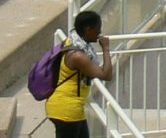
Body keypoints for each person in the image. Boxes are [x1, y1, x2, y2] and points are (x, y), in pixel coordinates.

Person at [45, 10, 114, 138]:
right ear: (88, 29)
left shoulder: (71, 42)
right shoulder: (78, 56)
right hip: (66, 110)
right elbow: (107, 75)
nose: (100, 32)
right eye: (98, 29)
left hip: (73, 109)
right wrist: (106, 48)